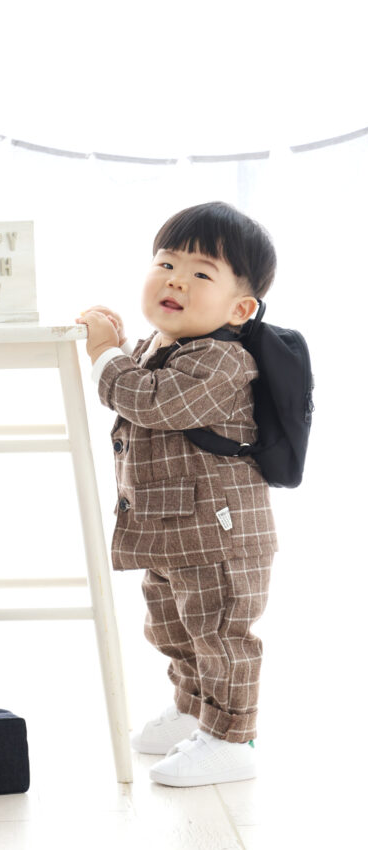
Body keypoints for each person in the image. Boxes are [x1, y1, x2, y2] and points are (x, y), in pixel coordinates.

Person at [76, 201, 278, 787]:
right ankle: (194, 711)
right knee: (171, 628)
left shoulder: (224, 360)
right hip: (170, 531)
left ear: (240, 308)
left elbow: (151, 401)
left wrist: (104, 355)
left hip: (219, 535)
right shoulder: (160, 347)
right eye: (166, 264)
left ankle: (232, 739)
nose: (175, 281)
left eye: (200, 273)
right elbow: (140, 381)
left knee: (219, 635)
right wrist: (121, 347)